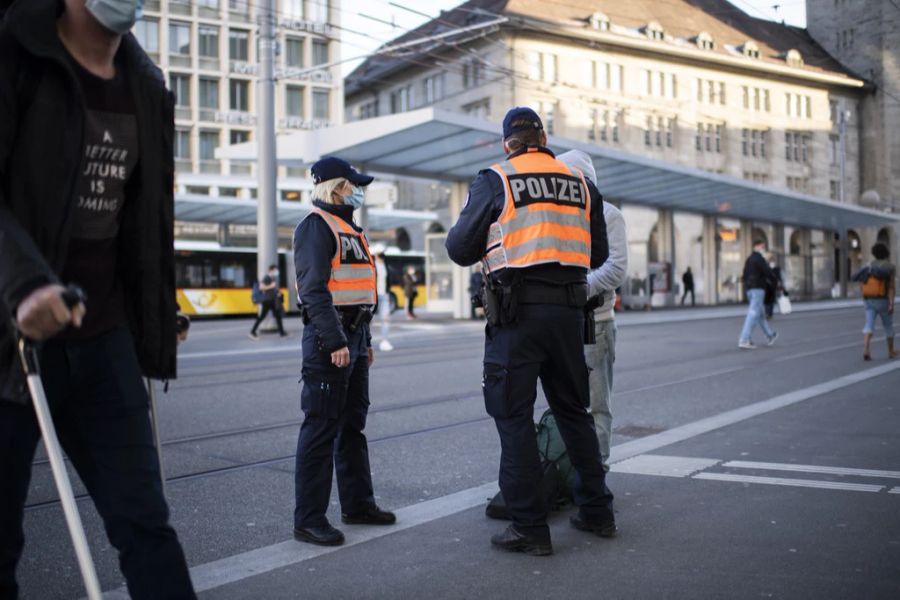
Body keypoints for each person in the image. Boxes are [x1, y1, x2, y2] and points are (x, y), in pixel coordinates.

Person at [0, 1, 196, 598]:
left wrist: (157, 309)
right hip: (12, 342)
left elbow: (140, 223)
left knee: (145, 523)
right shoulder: (17, 56)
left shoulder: (147, 87)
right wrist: (26, 284)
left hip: (101, 336)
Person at [446, 107, 616, 556]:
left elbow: (459, 248)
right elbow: (596, 251)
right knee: (573, 412)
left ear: (508, 144)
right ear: (544, 137)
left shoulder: (496, 179)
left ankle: (529, 528)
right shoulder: (581, 184)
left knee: (513, 417)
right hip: (568, 314)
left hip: (517, 315)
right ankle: (598, 511)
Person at [292, 156, 395, 547]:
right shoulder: (316, 227)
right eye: (353, 184)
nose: (358, 190)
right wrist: (336, 341)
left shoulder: (350, 228)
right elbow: (313, 291)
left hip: (353, 336)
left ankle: (358, 505)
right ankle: (308, 519)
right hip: (328, 341)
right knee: (320, 429)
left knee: (352, 426)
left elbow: (359, 290)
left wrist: (363, 341)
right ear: (335, 187)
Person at [558, 150, 628, 473]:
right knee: (569, 403)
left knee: (598, 404)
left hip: (595, 321)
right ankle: (571, 470)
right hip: (562, 323)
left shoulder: (609, 214)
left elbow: (617, 268)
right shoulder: (557, 216)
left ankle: (596, 471)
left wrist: (579, 287)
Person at [738, 240, 778, 349]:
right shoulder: (759, 259)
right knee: (753, 314)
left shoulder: (749, 259)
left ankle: (769, 335)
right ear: (758, 246)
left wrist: (747, 286)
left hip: (750, 289)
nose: (763, 248)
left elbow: (744, 275)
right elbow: (767, 272)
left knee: (760, 314)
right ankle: (744, 339)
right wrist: (775, 281)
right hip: (758, 289)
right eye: (763, 246)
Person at [860, 243, 897, 361]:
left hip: (868, 299)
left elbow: (861, 284)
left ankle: (866, 349)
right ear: (886, 253)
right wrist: (891, 303)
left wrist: (864, 296)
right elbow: (891, 286)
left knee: (868, 324)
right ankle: (891, 352)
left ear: (874, 253)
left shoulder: (868, 266)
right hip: (883, 300)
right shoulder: (890, 267)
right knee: (888, 325)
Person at [249, 264, 287, 339]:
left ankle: (282, 332)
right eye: (275, 270)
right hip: (267, 301)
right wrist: (271, 286)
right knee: (262, 317)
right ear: (271, 270)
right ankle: (252, 332)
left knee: (277, 316)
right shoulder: (267, 277)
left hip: (272, 300)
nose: (277, 272)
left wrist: (277, 292)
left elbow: (272, 289)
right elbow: (261, 287)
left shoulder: (272, 278)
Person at [371, 243, 394, 351]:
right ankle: (366, 343)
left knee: (385, 319)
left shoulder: (385, 265)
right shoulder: (371, 265)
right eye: (380, 254)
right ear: (375, 254)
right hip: (372, 296)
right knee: (367, 320)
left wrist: (388, 292)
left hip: (384, 295)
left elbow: (388, 280)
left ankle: (384, 341)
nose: (382, 255)